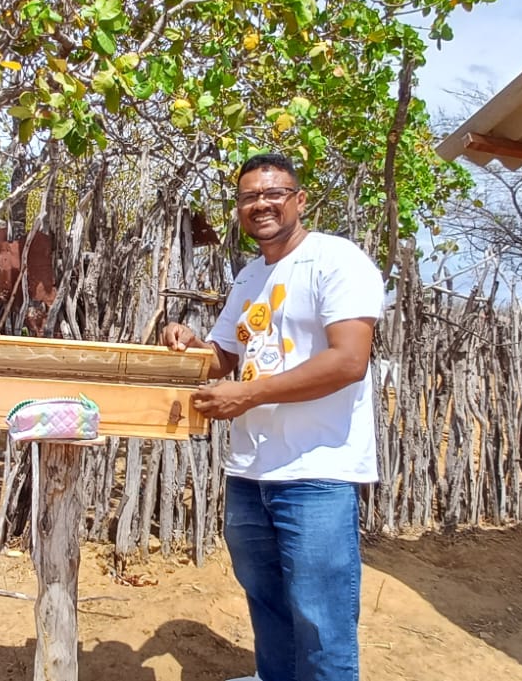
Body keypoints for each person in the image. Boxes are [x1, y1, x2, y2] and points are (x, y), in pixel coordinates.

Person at [162, 152, 384, 681]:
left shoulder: (337, 260)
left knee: (322, 620)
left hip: (317, 471)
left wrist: (249, 396)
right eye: (249, 197)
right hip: (250, 471)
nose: (261, 204)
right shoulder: (249, 277)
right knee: (267, 603)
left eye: (273, 193)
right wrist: (189, 342)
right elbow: (224, 357)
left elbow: (349, 361)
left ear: (299, 200)